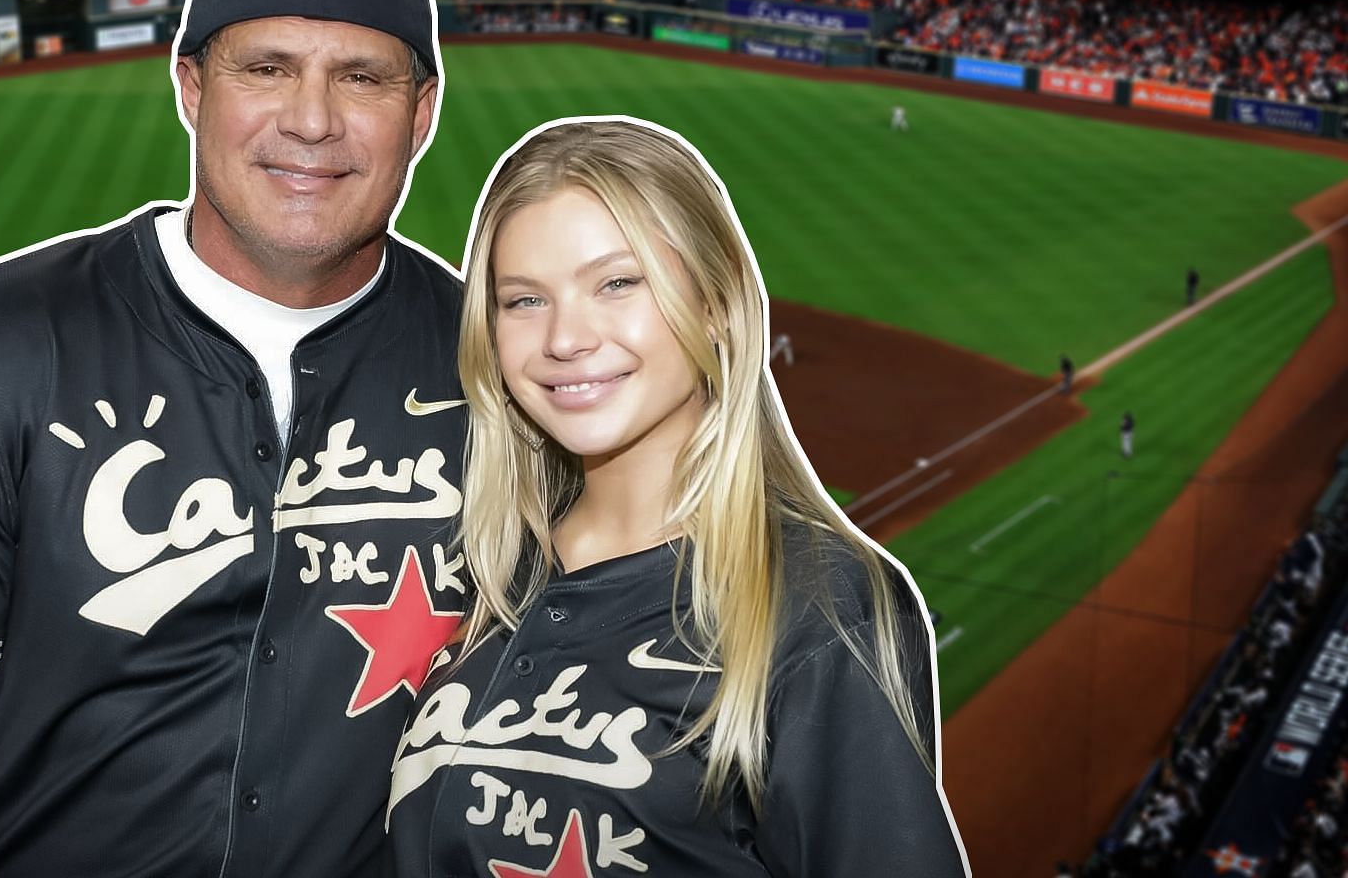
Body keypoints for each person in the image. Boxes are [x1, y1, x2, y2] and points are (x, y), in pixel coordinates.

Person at [0, 0, 465, 877]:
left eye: (361, 77)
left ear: (423, 112)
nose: (312, 120)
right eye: (267, 68)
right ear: (190, 86)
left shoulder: (498, 361)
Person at [387, 118, 967, 876]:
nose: (565, 338)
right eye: (524, 301)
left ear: (717, 304)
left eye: (617, 283)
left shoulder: (813, 603)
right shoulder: (485, 573)